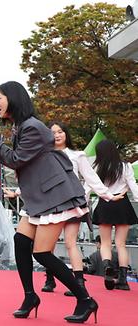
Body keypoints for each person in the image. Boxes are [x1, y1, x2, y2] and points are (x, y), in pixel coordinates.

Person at [0, 80, 96, 323]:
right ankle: (30, 296)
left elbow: (16, 159)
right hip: (40, 196)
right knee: (21, 241)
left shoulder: (33, 127)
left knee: (42, 252)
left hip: (55, 195)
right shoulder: (22, 126)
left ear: (13, 99)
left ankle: (85, 299)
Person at [38, 122, 118, 295]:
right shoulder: (44, 155)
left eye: (60, 131)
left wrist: (108, 195)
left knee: (70, 243)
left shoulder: (77, 155)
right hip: (52, 204)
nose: (57, 135)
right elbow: (37, 180)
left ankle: (79, 283)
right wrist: (19, 192)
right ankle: (50, 279)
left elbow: (91, 178)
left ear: (66, 134)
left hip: (73, 203)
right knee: (48, 246)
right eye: (53, 132)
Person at [90, 139, 138, 291]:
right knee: (121, 244)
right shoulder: (125, 166)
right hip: (122, 204)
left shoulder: (96, 167)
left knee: (105, 243)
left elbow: (90, 187)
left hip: (105, 203)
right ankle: (123, 281)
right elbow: (134, 187)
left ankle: (107, 268)